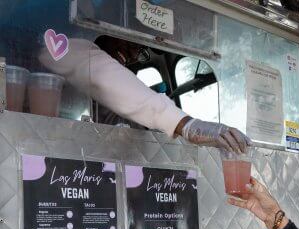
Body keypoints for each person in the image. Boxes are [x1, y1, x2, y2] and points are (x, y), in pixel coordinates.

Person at [38, 36, 249, 154]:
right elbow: (100, 73)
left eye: (140, 50)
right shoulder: (61, 46)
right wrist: (186, 125)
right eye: (130, 40)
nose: (132, 54)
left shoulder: (128, 93)